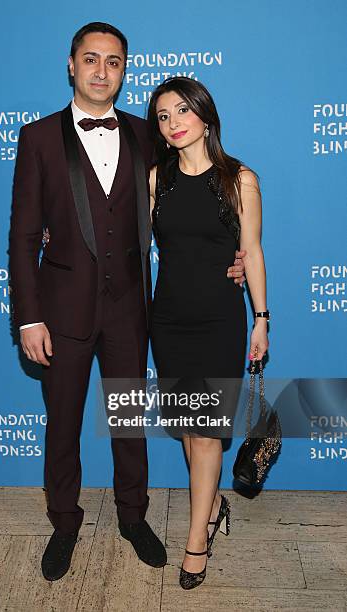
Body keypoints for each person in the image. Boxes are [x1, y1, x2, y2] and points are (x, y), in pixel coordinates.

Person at [9, 23, 246, 582]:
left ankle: (133, 517)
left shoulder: (148, 134)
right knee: (62, 423)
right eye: (90, 59)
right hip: (60, 312)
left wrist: (233, 257)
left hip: (131, 311)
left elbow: (202, 191)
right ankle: (64, 523)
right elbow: (23, 237)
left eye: (113, 62)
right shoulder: (38, 138)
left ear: (123, 70)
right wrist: (28, 316)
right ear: (71, 65)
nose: (100, 71)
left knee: (126, 421)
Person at [148, 76, 269, 589]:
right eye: (162, 116)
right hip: (169, 321)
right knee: (191, 431)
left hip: (221, 321)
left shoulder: (239, 178)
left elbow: (254, 250)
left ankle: (197, 539)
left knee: (206, 433)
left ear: (204, 114)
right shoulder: (156, 179)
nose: (173, 123)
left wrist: (262, 317)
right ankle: (212, 503)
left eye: (181, 111)